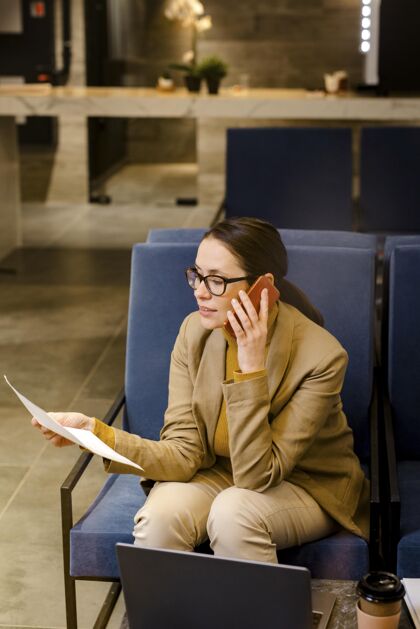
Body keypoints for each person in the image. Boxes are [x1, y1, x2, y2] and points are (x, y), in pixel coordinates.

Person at [32, 217, 369, 564]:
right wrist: (94, 433)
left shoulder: (322, 356)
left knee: (233, 514)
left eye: (217, 280)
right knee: (159, 518)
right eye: (197, 275)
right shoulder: (194, 333)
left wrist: (250, 369)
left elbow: (257, 476)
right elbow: (183, 453)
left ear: (263, 287)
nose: (200, 291)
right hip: (217, 472)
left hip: (305, 484)